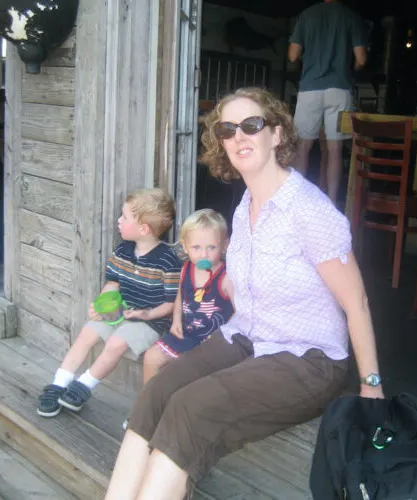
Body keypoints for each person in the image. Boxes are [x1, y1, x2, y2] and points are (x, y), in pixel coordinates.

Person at [105, 88, 384, 500]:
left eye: (251, 125)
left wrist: (372, 386)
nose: (239, 136)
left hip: (308, 357)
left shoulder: (308, 209)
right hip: (248, 336)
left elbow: (356, 302)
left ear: (275, 135)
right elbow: (237, 284)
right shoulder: (245, 206)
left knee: (190, 407)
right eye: (227, 129)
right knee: (158, 392)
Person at [36, 188, 182, 417]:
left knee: (116, 342)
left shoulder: (168, 261)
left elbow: (171, 302)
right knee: (86, 334)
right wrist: (100, 305)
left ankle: (84, 385)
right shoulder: (123, 249)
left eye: (124, 217)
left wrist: (145, 314)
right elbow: (113, 282)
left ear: (144, 229)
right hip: (120, 310)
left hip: (150, 321)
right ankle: (59, 383)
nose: (119, 220)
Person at [142, 208, 235, 384]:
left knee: (187, 376)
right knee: (151, 357)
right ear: (185, 246)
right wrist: (176, 320)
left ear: (224, 245)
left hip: (212, 343)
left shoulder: (226, 278)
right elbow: (180, 296)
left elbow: (241, 312)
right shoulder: (186, 269)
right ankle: (148, 402)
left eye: (211, 247)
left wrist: (224, 335)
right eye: (197, 247)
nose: (204, 254)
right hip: (186, 332)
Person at [288, 0, 367, 203]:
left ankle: (296, 200)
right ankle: (331, 202)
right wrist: (350, 69)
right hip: (340, 89)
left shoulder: (307, 15)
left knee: (302, 147)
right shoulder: (351, 16)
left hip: (310, 88)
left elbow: (292, 55)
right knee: (335, 149)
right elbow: (362, 60)